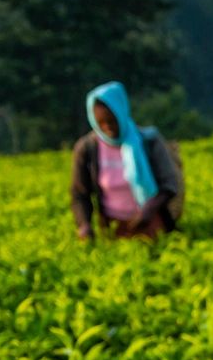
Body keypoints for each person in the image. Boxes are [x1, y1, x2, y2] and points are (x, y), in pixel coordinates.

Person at [70, 82, 182, 241]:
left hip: (151, 223)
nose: (108, 127)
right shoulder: (87, 148)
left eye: (112, 121)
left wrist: (148, 211)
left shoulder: (148, 141)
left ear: (122, 113)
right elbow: (79, 194)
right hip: (112, 228)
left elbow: (169, 184)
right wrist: (85, 226)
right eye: (100, 123)